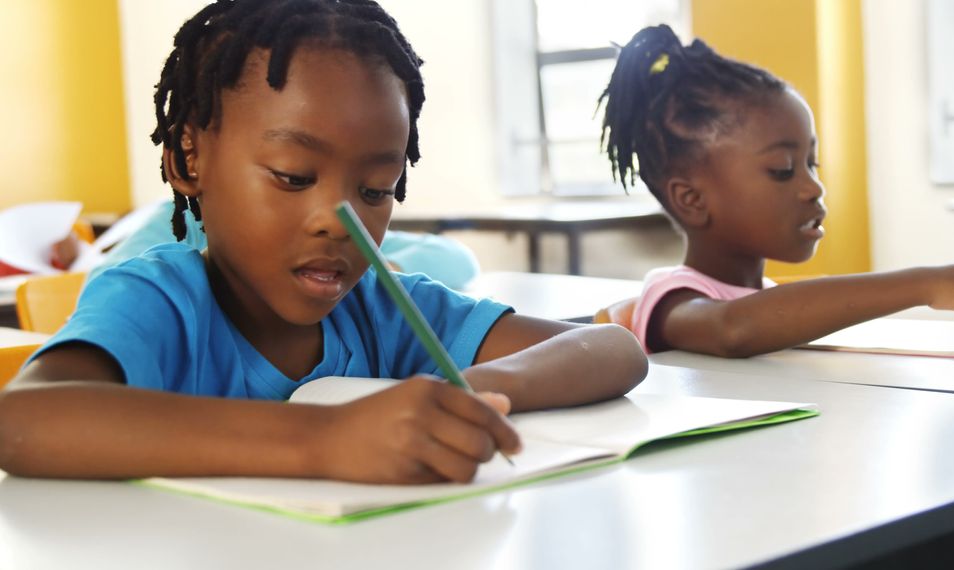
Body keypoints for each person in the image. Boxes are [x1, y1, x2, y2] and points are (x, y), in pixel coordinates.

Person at [0, 0, 647, 485]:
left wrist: (467, 396)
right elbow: (22, 422)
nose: (339, 221)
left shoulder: (386, 313)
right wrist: (322, 440)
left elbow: (612, 349)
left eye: (375, 189)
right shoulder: (161, 300)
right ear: (187, 160)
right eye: (293, 177)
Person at [597, 25, 954, 357]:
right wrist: (927, 284)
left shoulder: (767, 298)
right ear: (693, 199)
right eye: (782, 170)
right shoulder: (672, 299)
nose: (813, 187)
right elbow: (734, 328)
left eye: (813, 164)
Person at [86, 199, 481, 290]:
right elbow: (104, 282)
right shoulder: (187, 216)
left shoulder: (336, 224)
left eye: (374, 188)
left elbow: (454, 260)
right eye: (292, 177)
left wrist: (374, 271)